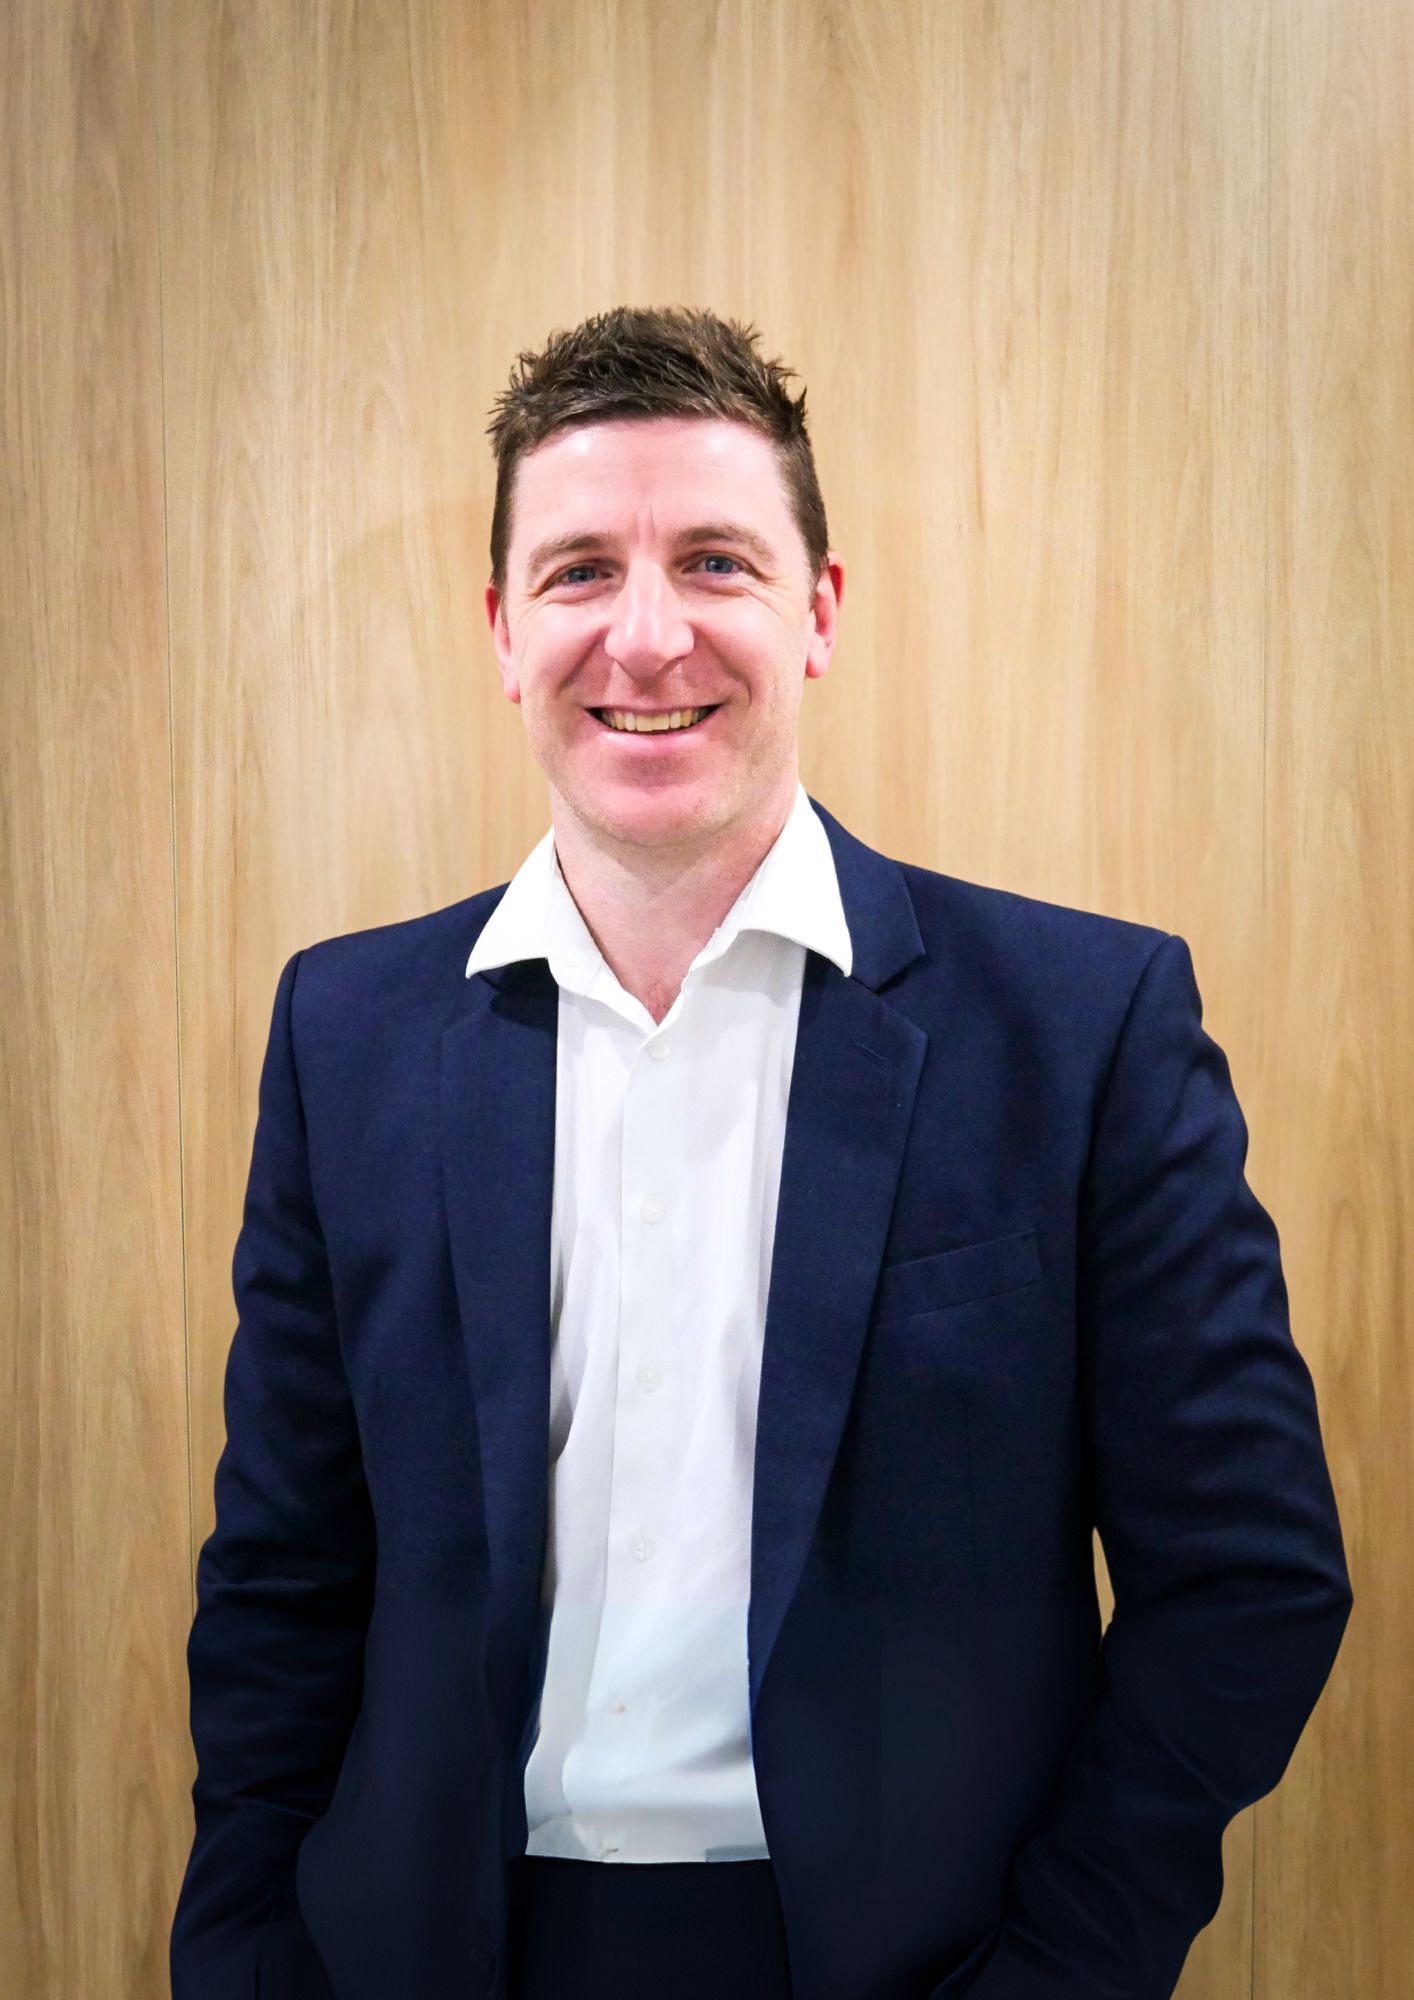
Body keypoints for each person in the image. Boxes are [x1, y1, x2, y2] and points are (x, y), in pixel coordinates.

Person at [170, 306, 1352, 2000]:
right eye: (580, 571)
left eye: (715, 562)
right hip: (426, 1952)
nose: (645, 637)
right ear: (503, 630)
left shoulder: (1082, 1026)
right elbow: (280, 1578)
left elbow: (1247, 1580)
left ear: (819, 610)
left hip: (911, 1965)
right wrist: (243, 1959)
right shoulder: (345, 1033)